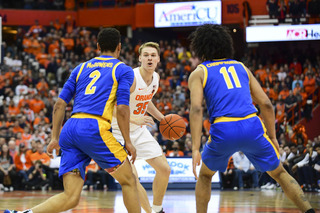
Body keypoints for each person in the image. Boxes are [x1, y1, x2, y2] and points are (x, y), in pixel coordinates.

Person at [5, 28, 141, 213]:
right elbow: (123, 108)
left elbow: (59, 104)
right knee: (129, 180)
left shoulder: (81, 68)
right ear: (119, 47)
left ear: (98, 46)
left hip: (70, 129)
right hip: (94, 127)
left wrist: (54, 138)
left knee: (71, 197)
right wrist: (128, 141)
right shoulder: (122, 69)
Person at [188, 24, 315, 213]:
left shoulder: (199, 72)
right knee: (279, 173)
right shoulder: (241, 67)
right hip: (252, 124)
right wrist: (272, 137)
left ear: (200, 48)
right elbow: (266, 104)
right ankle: (309, 211)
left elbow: (197, 109)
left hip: (224, 128)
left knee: (205, 176)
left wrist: (195, 148)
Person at [111, 42, 171, 213]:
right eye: (146, 55)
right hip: (117, 132)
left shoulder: (156, 79)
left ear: (158, 59)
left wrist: (161, 118)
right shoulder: (131, 78)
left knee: (164, 169)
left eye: (153, 55)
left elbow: (146, 99)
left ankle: (157, 209)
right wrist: (134, 118)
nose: (149, 58)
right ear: (140, 58)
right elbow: (111, 106)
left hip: (137, 131)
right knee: (133, 179)